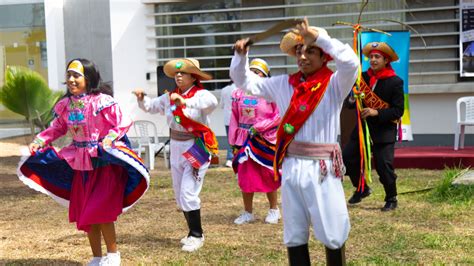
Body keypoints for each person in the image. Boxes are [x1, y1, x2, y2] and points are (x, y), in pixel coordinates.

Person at [231, 18, 358, 265]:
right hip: (291, 167)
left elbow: (351, 62)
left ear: (324, 57)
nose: (303, 56)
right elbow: (245, 82)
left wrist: (318, 36)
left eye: (311, 50)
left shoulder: (334, 83)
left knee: (332, 231)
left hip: (322, 168)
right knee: (295, 233)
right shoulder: (282, 84)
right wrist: (240, 56)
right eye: (299, 51)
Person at [18, 58, 150, 266]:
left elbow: (123, 122)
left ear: (88, 78)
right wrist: (40, 140)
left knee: (102, 210)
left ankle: (113, 256)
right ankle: (97, 257)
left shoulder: (103, 101)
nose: (71, 79)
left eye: (76, 75)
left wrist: (110, 138)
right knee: (87, 211)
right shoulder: (65, 105)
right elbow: (58, 128)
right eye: (68, 75)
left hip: (103, 165)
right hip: (80, 166)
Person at [132, 58, 218, 252]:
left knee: (189, 192)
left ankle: (197, 234)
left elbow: (212, 102)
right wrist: (142, 98)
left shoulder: (202, 95)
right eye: (177, 73)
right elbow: (151, 106)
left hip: (196, 145)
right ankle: (191, 232)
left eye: (183, 73)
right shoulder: (169, 97)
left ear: (193, 76)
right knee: (180, 194)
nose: (178, 76)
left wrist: (186, 101)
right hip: (177, 146)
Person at [342, 41, 404, 212]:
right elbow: (348, 102)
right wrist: (353, 99)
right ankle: (361, 188)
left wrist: (377, 112)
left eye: (378, 57)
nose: (373, 60)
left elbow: (398, 111)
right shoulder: (361, 77)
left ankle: (391, 197)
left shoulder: (395, 82)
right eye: (371, 57)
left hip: (383, 130)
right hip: (363, 129)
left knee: (384, 165)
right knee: (347, 158)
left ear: (386, 61)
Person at [228, 58, 281, 225]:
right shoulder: (238, 93)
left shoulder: (271, 93)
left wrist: (260, 126)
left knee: (268, 174)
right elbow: (234, 117)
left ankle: (274, 209)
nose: (254, 74)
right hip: (244, 139)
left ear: (265, 76)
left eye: (258, 72)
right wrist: (233, 140)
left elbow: (279, 116)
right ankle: (247, 212)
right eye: (251, 71)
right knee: (245, 175)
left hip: (264, 139)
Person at [220, 80, 237, 168]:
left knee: (230, 139)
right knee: (239, 139)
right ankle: (235, 158)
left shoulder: (224, 90)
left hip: (228, 119)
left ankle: (230, 159)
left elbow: (222, 105)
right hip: (238, 119)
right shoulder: (241, 89)